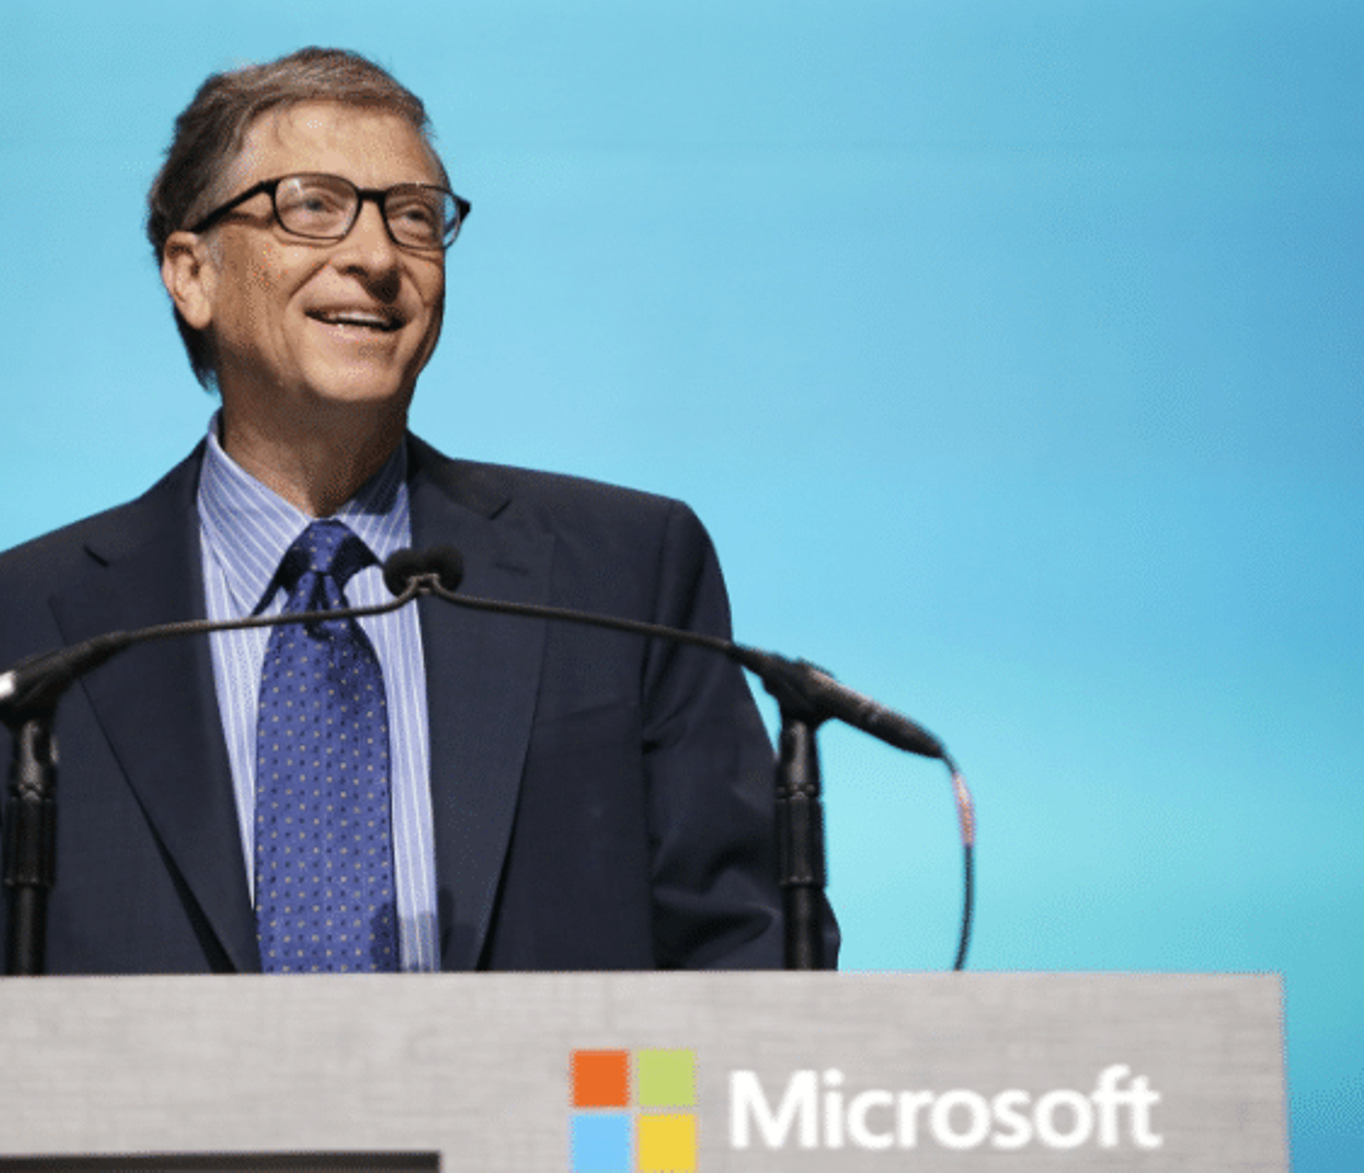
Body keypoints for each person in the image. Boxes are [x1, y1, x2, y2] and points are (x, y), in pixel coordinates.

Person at [0, 47, 837, 974]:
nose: (377, 258)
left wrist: (619, 1079)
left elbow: (748, 959)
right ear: (192, 273)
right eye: (312, 205)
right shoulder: (26, 624)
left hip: (561, 1081)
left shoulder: (625, 576)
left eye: (413, 216)